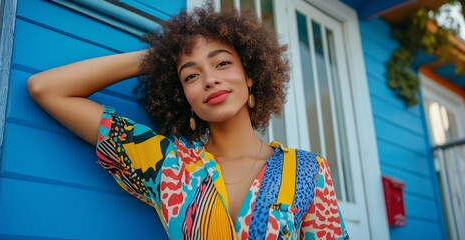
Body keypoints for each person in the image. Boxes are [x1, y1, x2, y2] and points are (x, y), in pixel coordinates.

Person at [27, 3, 349, 240]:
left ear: (250, 74)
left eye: (222, 63)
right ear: (183, 95)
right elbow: (46, 89)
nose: (209, 79)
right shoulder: (166, 163)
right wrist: (156, 58)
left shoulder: (308, 171)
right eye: (191, 74)